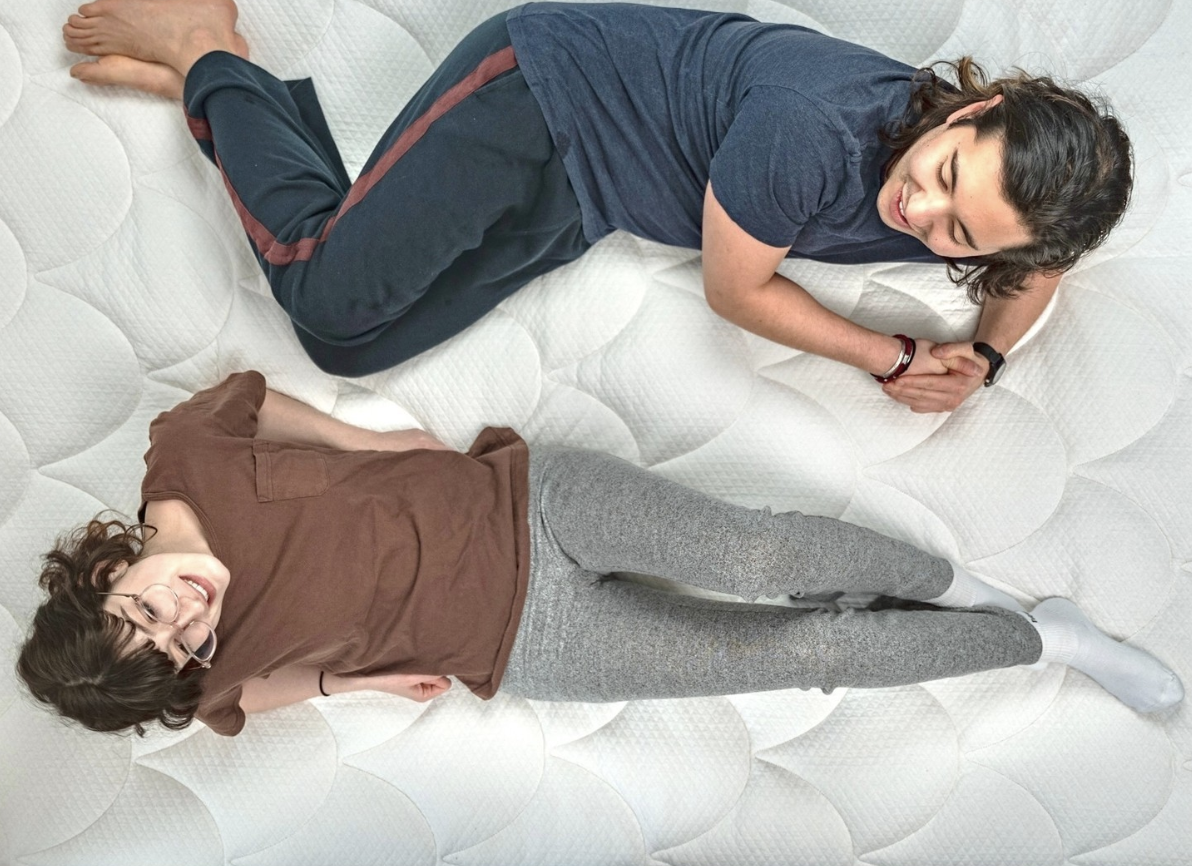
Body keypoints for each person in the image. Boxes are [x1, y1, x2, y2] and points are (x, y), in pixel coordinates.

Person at [61, 0, 1132, 411]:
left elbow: (1040, 264)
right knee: (326, 296)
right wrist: (891, 358)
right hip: (537, 99)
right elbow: (736, 288)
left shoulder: (1016, 209)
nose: (919, 215)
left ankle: (232, 102)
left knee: (345, 347)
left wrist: (987, 354)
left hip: (591, 195)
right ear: (971, 108)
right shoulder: (812, 136)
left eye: (959, 233)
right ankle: (209, 49)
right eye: (944, 176)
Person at [18, 373, 1182, 736]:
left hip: (527, 502)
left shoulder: (183, 455)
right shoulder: (203, 677)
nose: (187, 611)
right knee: (789, 652)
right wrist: (354, 681)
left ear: (102, 570)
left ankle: (971, 587)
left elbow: (256, 400)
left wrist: (370, 437)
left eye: (146, 604)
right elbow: (257, 689)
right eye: (177, 643)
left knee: (759, 548)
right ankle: (1040, 636)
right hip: (527, 643)